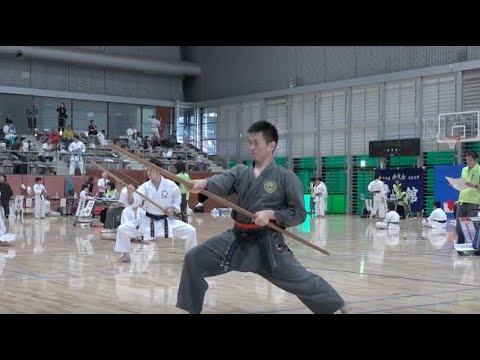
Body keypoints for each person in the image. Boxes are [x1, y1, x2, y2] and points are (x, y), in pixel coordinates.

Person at [176, 120, 350, 314]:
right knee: (194, 258)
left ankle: (339, 304)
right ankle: (191, 310)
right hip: (237, 238)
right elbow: (221, 182)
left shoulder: (286, 177)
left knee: (302, 280)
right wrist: (204, 182)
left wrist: (272, 214)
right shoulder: (240, 172)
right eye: (249, 142)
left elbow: (299, 213)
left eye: (256, 142)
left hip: (267, 245)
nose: (251, 147)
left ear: (271, 145)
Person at [114, 159, 198, 263]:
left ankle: (191, 256)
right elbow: (134, 203)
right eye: (147, 170)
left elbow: (177, 199)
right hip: (148, 221)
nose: (148, 172)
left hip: (166, 221)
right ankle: (125, 255)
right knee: (122, 229)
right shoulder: (145, 187)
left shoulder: (170, 185)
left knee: (191, 231)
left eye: (151, 170)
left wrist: (171, 208)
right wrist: (130, 193)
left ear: (159, 171)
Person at [455, 150, 480, 249]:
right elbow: (462, 184)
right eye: (466, 160)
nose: (468, 162)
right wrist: (455, 184)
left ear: (476, 160)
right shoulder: (464, 170)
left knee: (470, 226)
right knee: (458, 226)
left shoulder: (479, 170)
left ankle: (473, 246)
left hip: (473, 202)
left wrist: (474, 185)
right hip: (462, 200)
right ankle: (460, 245)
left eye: (470, 160)